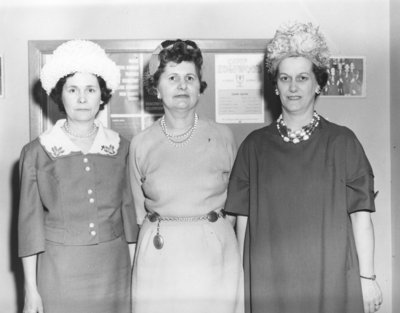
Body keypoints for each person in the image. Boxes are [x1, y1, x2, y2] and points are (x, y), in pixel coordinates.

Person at [225, 22, 383, 313]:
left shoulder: (343, 142)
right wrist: (242, 284)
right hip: (269, 282)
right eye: (285, 78)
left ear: (318, 83)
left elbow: (362, 218)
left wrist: (368, 277)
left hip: (332, 279)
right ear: (275, 85)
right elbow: (243, 225)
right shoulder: (254, 147)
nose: (293, 87)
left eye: (302, 77)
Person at [18, 40, 138, 313]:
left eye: (90, 89)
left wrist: (134, 280)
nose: (82, 98)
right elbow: (29, 228)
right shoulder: (37, 151)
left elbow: (130, 220)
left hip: (115, 271)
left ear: (101, 95)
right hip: (59, 273)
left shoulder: (122, 147)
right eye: (73, 90)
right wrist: (30, 290)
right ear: (61, 96)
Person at [129, 39, 244, 313]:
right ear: (157, 89)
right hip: (159, 258)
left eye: (190, 77)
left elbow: (239, 207)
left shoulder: (223, 136)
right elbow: (137, 211)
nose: (182, 86)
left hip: (215, 256)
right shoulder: (140, 144)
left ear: (199, 87)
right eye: (172, 77)